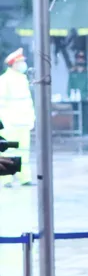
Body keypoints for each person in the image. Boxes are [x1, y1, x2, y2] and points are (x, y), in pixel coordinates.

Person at [0, 49, 34, 187]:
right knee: (9, 150)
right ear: (14, 63)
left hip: (23, 122)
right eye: (21, 62)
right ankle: (7, 179)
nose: (23, 64)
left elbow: (28, 102)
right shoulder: (4, 80)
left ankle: (24, 178)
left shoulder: (23, 79)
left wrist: (31, 119)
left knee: (24, 151)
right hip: (10, 122)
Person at [67, 50, 88, 135]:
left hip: (85, 97)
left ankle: (85, 131)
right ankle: (76, 131)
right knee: (76, 115)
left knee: (85, 115)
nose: (80, 59)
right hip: (75, 98)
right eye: (79, 57)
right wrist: (69, 95)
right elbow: (69, 85)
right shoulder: (73, 72)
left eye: (82, 58)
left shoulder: (87, 72)